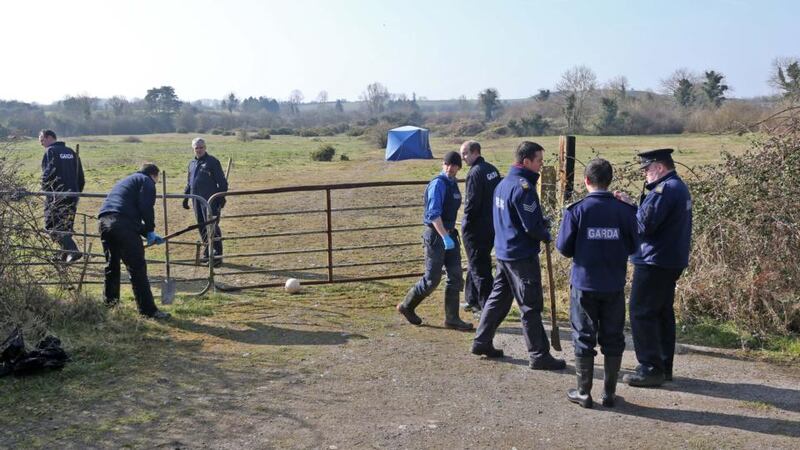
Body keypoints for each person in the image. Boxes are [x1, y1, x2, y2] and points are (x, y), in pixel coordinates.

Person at [472, 141, 565, 370]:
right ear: (526, 162)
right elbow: (531, 226)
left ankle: (482, 341)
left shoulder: (503, 184)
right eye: (539, 161)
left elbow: (513, 218)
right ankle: (539, 354)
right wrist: (546, 233)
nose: (541, 166)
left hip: (504, 252)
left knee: (498, 299)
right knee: (530, 305)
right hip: (521, 256)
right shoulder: (524, 188)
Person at [556, 158, 638, 408]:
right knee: (613, 338)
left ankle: (583, 392)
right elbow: (635, 246)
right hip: (613, 284)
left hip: (584, 285)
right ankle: (609, 394)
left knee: (583, 336)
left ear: (586, 181)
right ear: (609, 180)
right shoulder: (625, 210)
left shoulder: (576, 210)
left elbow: (564, 248)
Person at [615, 148, 692, 387]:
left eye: (646, 169)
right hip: (669, 259)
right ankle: (663, 365)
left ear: (659, 167)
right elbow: (650, 219)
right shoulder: (677, 187)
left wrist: (626, 209)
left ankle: (649, 367)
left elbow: (643, 226)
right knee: (661, 313)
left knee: (641, 312)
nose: (645, 174)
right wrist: (632, 203)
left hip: (654, 261)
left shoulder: (663, 190)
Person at [396, 151, 473, 331]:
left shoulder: (452, 184)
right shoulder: (438, 184)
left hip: (450, 235)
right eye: (448, 164)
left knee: (455, 276)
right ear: (442, 164)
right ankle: (407, 306)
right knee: (432, 279)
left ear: (459, 168)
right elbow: (433, 214)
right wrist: (444, 236)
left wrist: (450, 235)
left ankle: (452, 318)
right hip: (436, 236)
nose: (450, 168)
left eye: (454, 165)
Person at [98, 163, 170, 319]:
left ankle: (110, 304)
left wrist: (146, 232)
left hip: (105, 222)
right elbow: (145, 207)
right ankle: (148, 311)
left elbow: (125, 214)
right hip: (123, 224)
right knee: (137, 268)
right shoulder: (147, 181)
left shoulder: (128, 180)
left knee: (112, 265)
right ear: (155, 175)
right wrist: (150, 229)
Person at [460, 140, 501, 314]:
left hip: (476, 227)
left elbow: (471, 202)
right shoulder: (492, 170)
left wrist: (466, 224)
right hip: (491, 225)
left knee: (480, 268)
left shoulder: (475, 173)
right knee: (476, 262)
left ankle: (488, 309)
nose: (463, 158)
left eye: (465, 154)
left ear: (475, 152)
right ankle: (472, 299)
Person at [39, 129, 85, 263]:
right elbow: (81, 177)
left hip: (56, 196)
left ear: (48, 137)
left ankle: (73, 251)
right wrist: (76, 193)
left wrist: (46, 193)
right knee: (65, 225)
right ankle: (64, 256)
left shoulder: (50, 152)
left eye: (42, 140)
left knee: (51, 225)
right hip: (72, 195)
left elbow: (48, 175)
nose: (41, 143)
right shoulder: (71, 152)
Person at [182, 137, 228, 267]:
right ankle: (208, 251)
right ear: (193, 149)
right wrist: (186, 198)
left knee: (212, 226)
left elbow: (223, 183)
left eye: (201, 147)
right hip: (196, 200)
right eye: (197, 147)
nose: (199, 150)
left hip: (210, 201)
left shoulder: (212, 162)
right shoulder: (191, 163)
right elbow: (189, 183)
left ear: (205, 147)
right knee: (201, 226)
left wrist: (220, 199)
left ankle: (217, 255)